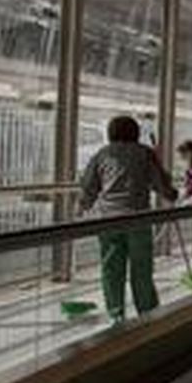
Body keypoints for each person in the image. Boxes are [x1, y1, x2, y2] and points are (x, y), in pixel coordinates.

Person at [79, 115, 177, 323]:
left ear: (110, 133)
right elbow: (160, 183)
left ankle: (116, 314)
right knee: (141, 269)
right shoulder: (144, 153)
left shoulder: (102, 154)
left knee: (111, 270)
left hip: (108, 220)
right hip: (138, 219)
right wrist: (170, 192)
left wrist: (83, 206)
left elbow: (89, 187)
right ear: (135, 133)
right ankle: (147, 313)